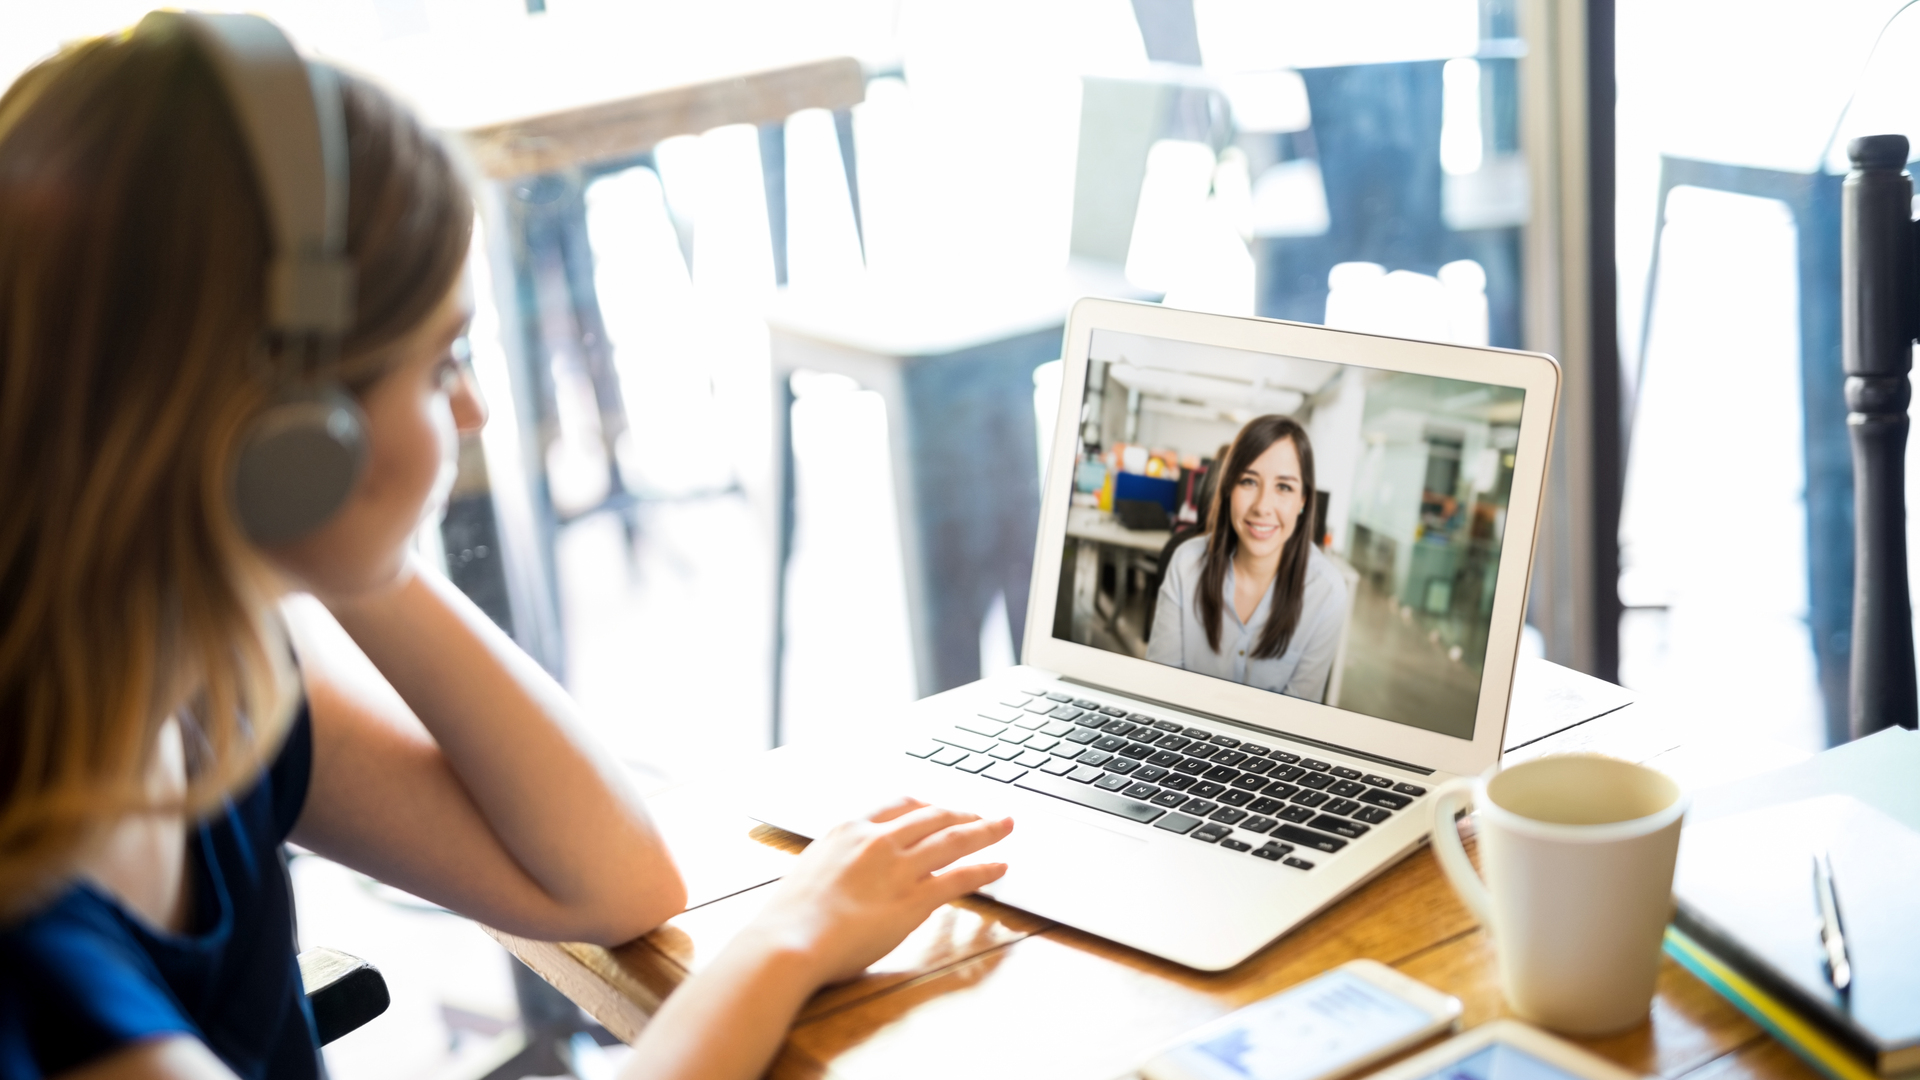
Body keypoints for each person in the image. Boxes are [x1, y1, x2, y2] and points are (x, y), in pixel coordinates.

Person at [0, 17, 1011, 1080]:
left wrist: (345, 538)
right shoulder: (39, 934)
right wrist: (786, 940)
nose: (476, 411)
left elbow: (609, 879)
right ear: (289, 429)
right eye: (442, 362)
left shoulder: (211, 679)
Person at [1146, 415, 1348, 702]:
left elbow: (1298, 719)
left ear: (1303, 499)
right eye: (1249, 481)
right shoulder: (1186, 564)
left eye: (1284, 487)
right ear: (1228, 487)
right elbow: (1159, 689)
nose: (1263, 506)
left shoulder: (1326, 593)